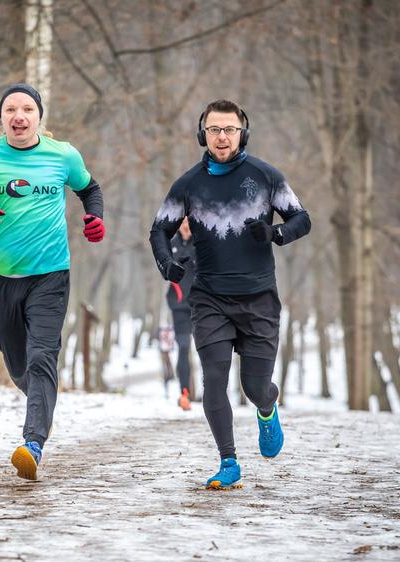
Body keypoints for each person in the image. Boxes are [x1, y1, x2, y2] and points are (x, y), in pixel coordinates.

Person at [0, 83, 105, 481]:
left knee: (42, 357)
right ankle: (42, 399)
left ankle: (32, 444)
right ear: (2, 117)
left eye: (27, 109)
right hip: (2, 280)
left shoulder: (62, 155)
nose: (19, 116)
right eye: (11, 109)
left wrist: (95, 219)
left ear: (38, 116)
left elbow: (90, 189)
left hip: (50, 276)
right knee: (20, 369)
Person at [149, 99, 310, 490]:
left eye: (230, 130)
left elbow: (301, 219)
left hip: (258, 298)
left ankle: (267, 409)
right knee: (214, 380)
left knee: (255, 387)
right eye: (214, 129)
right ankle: (228, 461)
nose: (222, 137)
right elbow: (158, 231)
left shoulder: (265, 176)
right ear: (202, 134)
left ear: (243, 133)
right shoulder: (188, 185)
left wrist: (275, 233)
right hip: (210, 298)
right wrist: (167, 265)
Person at [166, 217, 196, 411]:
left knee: (207, 350)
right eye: (183, 222)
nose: (186, 226)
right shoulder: (171, 243)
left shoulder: (202, 242)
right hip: (179, 306)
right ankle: (184, 393)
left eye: (189, 223)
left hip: (202, 304)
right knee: (183, 347)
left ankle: (211, 393)